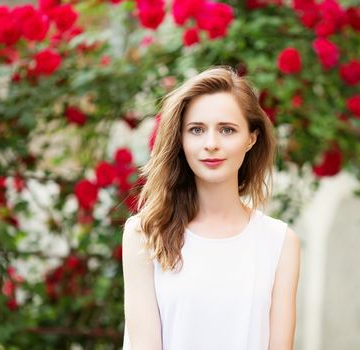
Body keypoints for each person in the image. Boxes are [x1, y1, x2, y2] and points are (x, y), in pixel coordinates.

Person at [122, 66, 301, 350]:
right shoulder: (143, 234)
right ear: (181, 139)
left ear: (251, 138)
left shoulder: (279, 243)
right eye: (196, 130)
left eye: (227, 130)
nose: (211, 144)